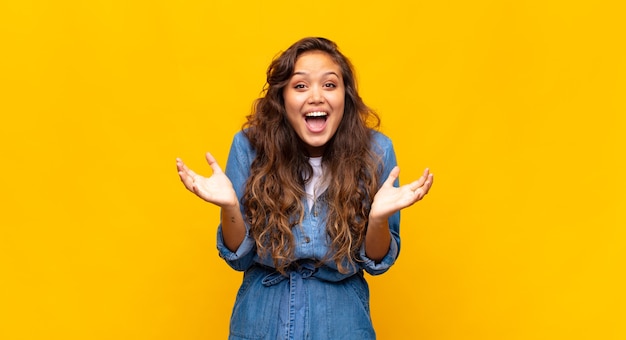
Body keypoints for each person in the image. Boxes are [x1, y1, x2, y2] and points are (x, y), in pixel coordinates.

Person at [176, 37, 433, 340]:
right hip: (261, 320)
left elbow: (376, 264)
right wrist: (230, 208)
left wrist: (377, 219)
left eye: (329, 85)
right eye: (300, 86)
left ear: (345, 97)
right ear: (282, 98)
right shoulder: (249, 147)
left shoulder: (376, 151)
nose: (315, 97)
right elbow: (239, 258)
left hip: (342, 322)